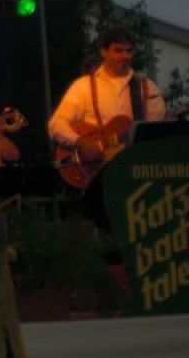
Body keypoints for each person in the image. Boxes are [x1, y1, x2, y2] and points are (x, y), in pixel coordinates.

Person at [49, 25, 166, 228]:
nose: (125, 56)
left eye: (129, 51)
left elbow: (152, 131)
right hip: (96, 172)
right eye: (118, 50)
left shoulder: (146, 87)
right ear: (104, 51)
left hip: (133, 173)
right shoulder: (84, 87)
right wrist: (80, 142)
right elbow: (56, 125)